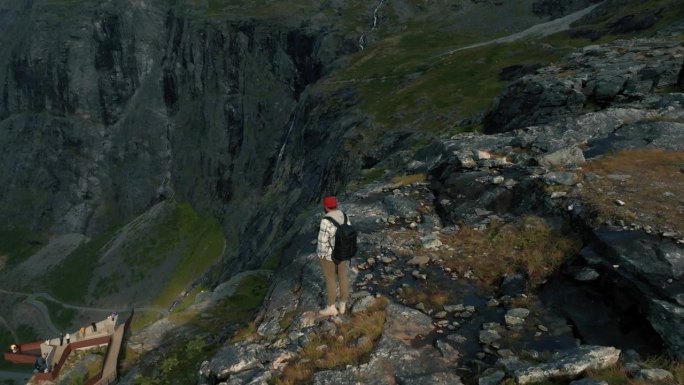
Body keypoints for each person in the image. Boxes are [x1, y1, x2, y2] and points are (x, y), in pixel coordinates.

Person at [316, 196, 351, 317]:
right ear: (336, 205)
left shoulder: (326, 221)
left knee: (330, 279)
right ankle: (343, 303)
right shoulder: (344, 215)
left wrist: (321, 255)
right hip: (343, 252)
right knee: (343, 276)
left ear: (325, 207)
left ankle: (331, 307)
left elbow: (322, 241)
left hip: (330, 255)